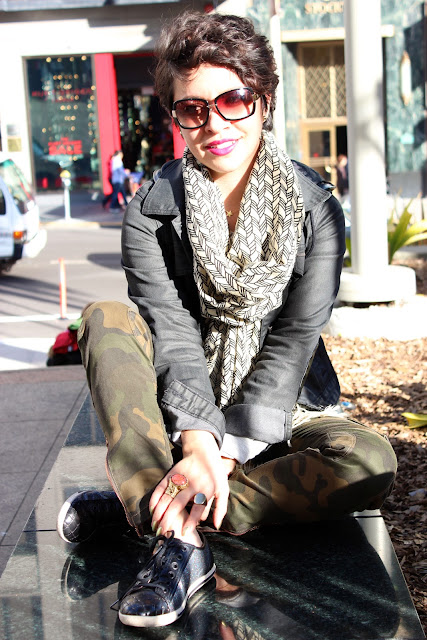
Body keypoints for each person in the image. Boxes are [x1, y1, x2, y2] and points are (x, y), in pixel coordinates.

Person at [56, 12, 397, 630]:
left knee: (370, 462)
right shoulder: (149, 213)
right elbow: (172, 332)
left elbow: (295, 339)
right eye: (193, 109)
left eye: (233, 100)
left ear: (263, 101)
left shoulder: (317, 211)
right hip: (180, 399)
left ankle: (150, 509)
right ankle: (180, 545)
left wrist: (227, 454)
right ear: (176, 118)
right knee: (105, 317)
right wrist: (196, 442)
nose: (214, 124)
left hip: (282, 409)